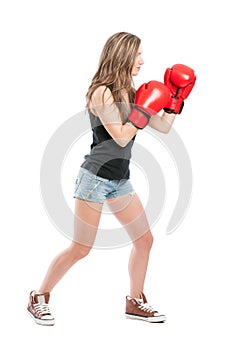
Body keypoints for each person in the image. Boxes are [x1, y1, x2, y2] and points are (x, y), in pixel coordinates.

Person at [27, 32, 196, 326]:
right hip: (94, 178)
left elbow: (163, 127)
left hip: (120, 180)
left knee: (144, 240)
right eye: (138, 55)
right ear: (123, 55)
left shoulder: (132, 92)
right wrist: (144, 107)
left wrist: (175, 101)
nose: (142, 61)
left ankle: (135, 301)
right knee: (81, 248)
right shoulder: (101, 92)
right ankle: (39, 296)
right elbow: (120, 137)